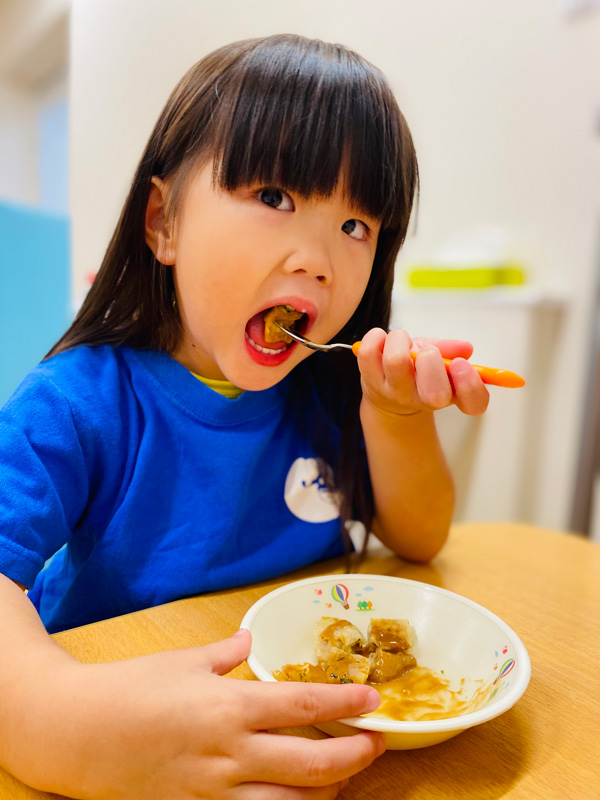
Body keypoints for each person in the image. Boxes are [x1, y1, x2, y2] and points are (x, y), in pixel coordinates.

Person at [0, 34, 489, 799]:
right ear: (162, 223)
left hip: (305, 721)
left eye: (356, 226)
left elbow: (420, 539)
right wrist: (56, 721)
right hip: (119, 721)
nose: (319, 260)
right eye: (275, 198)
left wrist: (396, 417)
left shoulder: (325, 395)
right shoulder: (80, 403)